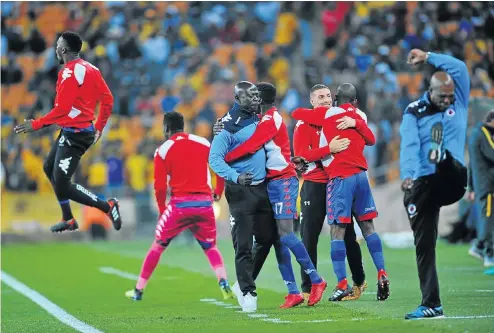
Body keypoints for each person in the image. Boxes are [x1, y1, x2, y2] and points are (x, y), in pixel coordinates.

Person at [223, 82, 327, 308]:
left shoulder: (272, 119)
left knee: (287, 235)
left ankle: (317, 280)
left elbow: (252, 145)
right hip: (270, 183)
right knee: (277, 240)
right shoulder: (262, 120)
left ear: (259, 99)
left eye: (253, 96)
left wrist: (227, 158)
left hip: (283, 181)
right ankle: (293, 292)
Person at [14, 31, 122, 233]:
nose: (55, 48)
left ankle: (107, 206)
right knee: (49, 168)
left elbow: (62, 109)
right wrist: (99, 127)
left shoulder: (68, 73)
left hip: (76, 135)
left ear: (63, 49)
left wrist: (36, 124)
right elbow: (108, 100)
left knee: (63, 184)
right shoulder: (91, 69)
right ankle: (69, 219)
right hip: (75, 131)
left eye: (57, 45)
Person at [292, 83, 390, 302]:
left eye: (328, 95)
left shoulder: (329, 116)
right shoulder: (304, 124)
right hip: (316, 183)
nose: (325, 99)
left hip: (338, 180)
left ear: (334, 98)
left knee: (346, 235)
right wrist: (330, 149)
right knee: (309, 237)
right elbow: (300, 155)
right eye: (320, 96)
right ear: (312, 101)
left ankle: (354, 282)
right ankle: (308, 287)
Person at [125, 112, 232, 301]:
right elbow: (220, 167)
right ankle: (223, 281)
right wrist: (218, 191)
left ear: (166, 129)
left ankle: (138, 290)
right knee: (210, 247)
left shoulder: (163, 150)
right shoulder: (204, 143)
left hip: (180, 206)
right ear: (183, 126)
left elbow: (159, 186)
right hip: (204, 205)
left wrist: (161, 209)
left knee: (158, 246)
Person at [400, 49, 470, 319]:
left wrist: (428, 56)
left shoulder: (459, 99)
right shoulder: (414, 111)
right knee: (424, 245)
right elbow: (409, 145)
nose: (448, 101)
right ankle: (432, 304)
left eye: (451, 97)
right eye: (443, 97)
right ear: (430, 91)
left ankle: (439, 155)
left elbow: (460, 67)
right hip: (423, 181)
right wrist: (407, 174)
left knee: (447, 162)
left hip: (451, 178)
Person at [209, 81, 274, 312]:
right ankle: (248, 292)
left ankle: (241, 284)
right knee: (243, 244)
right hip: (240, 191)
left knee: (267, 239)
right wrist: (235, 177)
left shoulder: (259, 118)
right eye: (251, 96)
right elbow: (214, 159)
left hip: (262, 187)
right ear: (238, 99)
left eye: (257, 95)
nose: (257, 99)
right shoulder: (227, 127)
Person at [467, 110, 494, 270]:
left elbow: (471, 164)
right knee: (488, 218)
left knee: (488, 217)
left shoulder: (475, 134)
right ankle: (481, 247)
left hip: (481, 184)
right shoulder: (482, 134)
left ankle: (486, 252)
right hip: (487, 184)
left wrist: (471, 186)